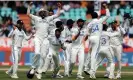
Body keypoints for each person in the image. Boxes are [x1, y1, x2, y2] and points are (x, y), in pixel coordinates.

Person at [26, 2, 61, 79]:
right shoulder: (36, 18)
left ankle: (38, 71)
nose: (43, 13)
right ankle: (33, 67)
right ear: (39, 13)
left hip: (45, 39)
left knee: (43, 56)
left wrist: (59, 8)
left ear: (45, 13)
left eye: (44, 12)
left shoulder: (48, 18)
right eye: (41, 12)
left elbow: (57, 15)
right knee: (37, 53)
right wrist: (29, 6)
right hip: (37, 38)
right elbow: (28, 14)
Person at [84, 3, 110, 79]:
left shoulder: (90, 23)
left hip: (91, 38)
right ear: (97, 16)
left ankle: (86, 67)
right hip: (96, 38)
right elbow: (108, 15)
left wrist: (88, 37)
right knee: (94, 55)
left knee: (90, 52)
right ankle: (92, 72)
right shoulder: (100, 20)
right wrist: (106, 8)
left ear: (91, 16)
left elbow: (87, 32)